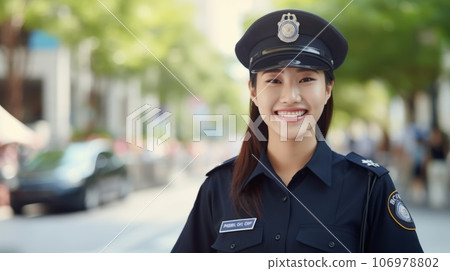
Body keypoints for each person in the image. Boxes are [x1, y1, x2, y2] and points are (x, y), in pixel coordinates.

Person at [172, 9, 423, 253]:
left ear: (327, 89)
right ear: (252, 91)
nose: (290, 97)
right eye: (274, 80)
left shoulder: (368, 186)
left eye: (306, 79)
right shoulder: (219, 187)